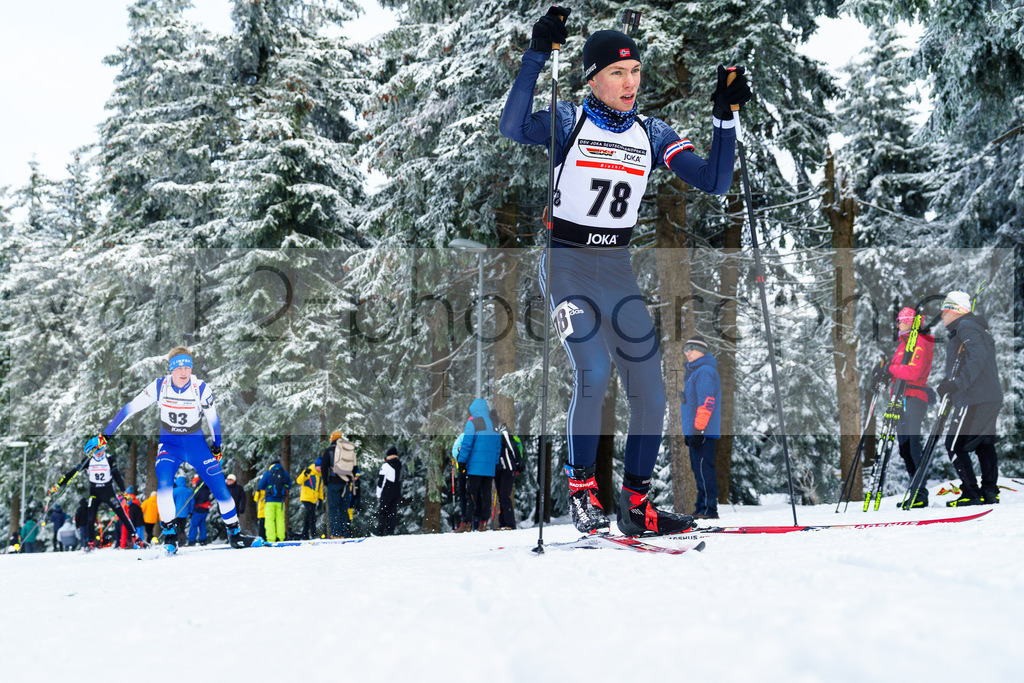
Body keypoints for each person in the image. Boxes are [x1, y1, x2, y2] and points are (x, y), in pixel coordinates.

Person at [499, 8, 749, 535]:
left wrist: (724, 115)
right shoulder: (569, 120)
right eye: (617, 72)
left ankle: (636, 505)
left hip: (615, 270)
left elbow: (714, 179)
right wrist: (537, 54)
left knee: (650, 389)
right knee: (592, 370)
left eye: (635, 71)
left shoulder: (651, 133)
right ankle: (583, 492)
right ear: (593, 77)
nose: (630, 82)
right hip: (565, 263)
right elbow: (513, 126)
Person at [99, 346, 251, 552]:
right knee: (163, 486)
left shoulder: (201, 388)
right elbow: (130, 408)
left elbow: (213, 420)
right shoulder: (160, 386)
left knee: (221, 489)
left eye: (187, 367)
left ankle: (235, 534)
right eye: (178, 368)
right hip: (170, 445)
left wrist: (217, 448)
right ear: (171, 369)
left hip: (196, 444)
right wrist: (105, 435)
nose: (183, 372)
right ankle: (170, 534)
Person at [937, 290, 1003, 507]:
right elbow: (969, 360)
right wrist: (948, 384)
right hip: (988, 396)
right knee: (984, 443)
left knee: (954, 444)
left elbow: (977, 357)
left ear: (956, 311)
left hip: (974, 397)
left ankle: (971, 493)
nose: (942, 315)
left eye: (945, 310)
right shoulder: (971, 327)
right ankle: (990, 491)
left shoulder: (966, 327)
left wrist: (957, 384)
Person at [874, 307, 936, 509]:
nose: (897, 324)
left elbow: (913, 372)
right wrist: (885, 373)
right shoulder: (904, 344)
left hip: (913, 398)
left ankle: (920, 492)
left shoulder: (918, 342)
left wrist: (890, 369)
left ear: (910, 322)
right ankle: (915, 490)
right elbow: (898, 369)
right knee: (904, 449)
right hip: (900, 398)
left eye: (900, 321)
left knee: (912, 446)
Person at [50, 436, 140, 549]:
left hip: (108, 491)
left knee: (121, 514)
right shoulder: (87, 461)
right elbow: (72, 472)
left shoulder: (109, 459)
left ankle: (135, 537)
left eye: (101, 450)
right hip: (95, 492)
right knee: (91, 518)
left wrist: (124, 491)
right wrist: (58, 485)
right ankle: (91, 543)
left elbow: (117, 476)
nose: (99, 453)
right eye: (97, 451)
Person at [680, 336, 722, 519]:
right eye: (685, 349)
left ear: (702, 351)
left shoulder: (704, 371)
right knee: (699, 470)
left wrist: (698, 429)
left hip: (703, 431)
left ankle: (709, 510)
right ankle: (701, 508)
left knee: (704, 469)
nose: (687, 352)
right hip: (696, 431)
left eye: (691, 349)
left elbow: (706, 402)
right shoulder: (695, 372)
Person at [452, 400, 500, 532]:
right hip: (489, 468)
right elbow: (497, 447)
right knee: (486, 495)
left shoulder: (472, 423)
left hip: (474, 467)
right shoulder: (494, 424)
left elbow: (467, 444)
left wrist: (461, 462)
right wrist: (494, 463)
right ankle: (483, 523)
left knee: (471, 495)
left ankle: (466, 523)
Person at [321, 432, 358, 538]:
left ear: (332, 439)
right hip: (346, 484)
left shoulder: (329, 451)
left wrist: (326, 482)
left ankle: (336, 533)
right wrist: (349, 479)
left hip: (333, 483)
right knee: (343, 508)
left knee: (333, 508)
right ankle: (343, 532)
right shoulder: (348, 450)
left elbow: (324, 468)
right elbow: (355, 468)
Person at [494, 417, 524, 530]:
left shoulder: (504, 433)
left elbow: (513, 448)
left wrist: (518, 464)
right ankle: (503, 523)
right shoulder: (494, 434)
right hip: (498, 469)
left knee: (505, 496)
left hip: (508, 468)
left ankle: (510, 524)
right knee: (502, 497)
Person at [258, 460, 291, 543]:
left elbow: (260, 486)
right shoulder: (285, 473)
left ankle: (271, 539)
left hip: (269, 501)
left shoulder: (268, 473)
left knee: (269, 520)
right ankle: (281, 538)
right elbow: (289, 486)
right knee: (280, 519)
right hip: (281, 501)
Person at [375, 446, 402, 536]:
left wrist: (378, 493)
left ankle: (380, 532)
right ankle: (390, 532)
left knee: (383, 512)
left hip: (387, 492)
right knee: (392, 513)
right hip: (396, 492)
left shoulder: (386, 466)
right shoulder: (400, 465)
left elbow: (381, 481)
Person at [297, 458, 325, 540]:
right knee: (312, 515)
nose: (321, 469)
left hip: (314, 499)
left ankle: (304, 535)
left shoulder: (320, 476)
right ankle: (314, 534)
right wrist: (305, 474)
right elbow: (299, 480)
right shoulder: (309, 471)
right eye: (320, 467)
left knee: (308, 516)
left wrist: (320, 500)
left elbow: (320, 489)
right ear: (316, 466)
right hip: (306, 497)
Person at [187, 476, 212, 545]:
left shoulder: (197, 489)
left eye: (193, 483)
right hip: (205, 509)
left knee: (194, 525)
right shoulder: (206, 488)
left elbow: (194, 499)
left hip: (198, 509)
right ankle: (203, 540)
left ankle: (192, 540)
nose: (193, 484)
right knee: (202, 525)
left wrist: (191, 510)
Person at [171, 474, 194, 545]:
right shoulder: (189, 491)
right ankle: (182, 540)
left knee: (175, 527)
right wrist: (190, 511)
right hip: (185, 512)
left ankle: (176, 540)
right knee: (182, 527)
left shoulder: (174, 491)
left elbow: (172, 501)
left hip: (176, 513)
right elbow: (192, 502)